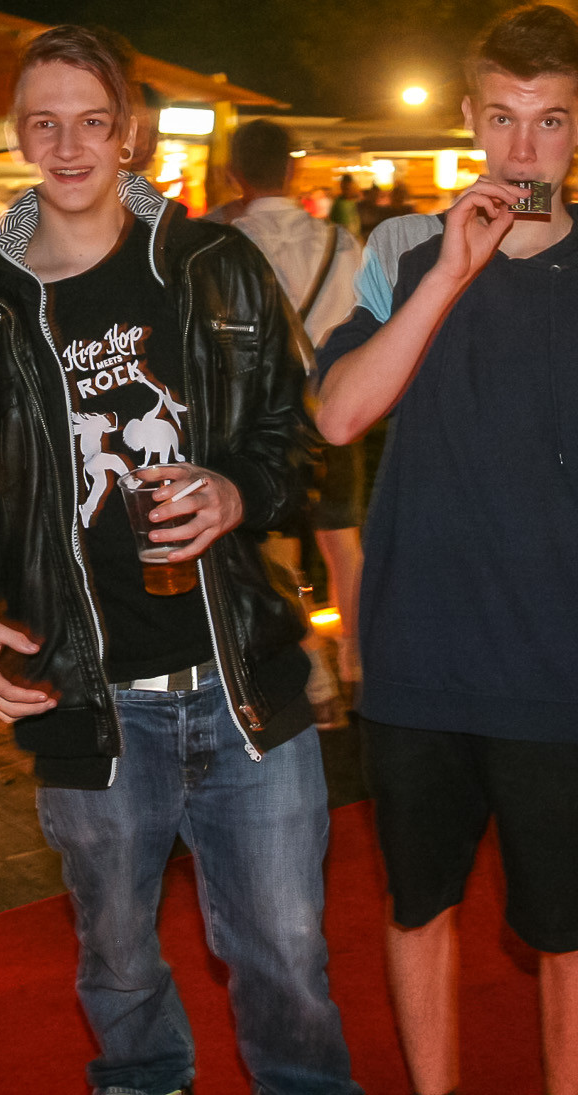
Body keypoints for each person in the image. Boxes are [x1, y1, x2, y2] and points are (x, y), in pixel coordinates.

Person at [0, 25, 356, 1095]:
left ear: (127, 131)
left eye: (90, 121)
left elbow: (296, 439)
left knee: (288, 957)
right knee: (117, 959)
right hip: (89, 701)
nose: (68, 145)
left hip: (242, 681)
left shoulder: (213, 267)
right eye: (44, 123)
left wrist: (236, 489)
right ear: (18, 134)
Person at [315, 3, 578, 1095]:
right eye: (501, 119)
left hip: (562, 660)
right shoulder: (401, 248)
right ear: (469, 117)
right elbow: (339, 415)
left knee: (569, 922)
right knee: (417, 904)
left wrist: (543, 522)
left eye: (549, 121)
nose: (523, 150)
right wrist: (450, 271)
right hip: (416, 653)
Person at [224, 117, 368, 717]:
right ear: (292, 170)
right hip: (334, 408)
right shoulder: (341, 243)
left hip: (262, 420)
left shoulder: (223, 247)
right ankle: (359, 663)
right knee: (344, 542)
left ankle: (314, 675)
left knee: (278, 551)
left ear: (233, 174)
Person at [331, 172, 363, 237]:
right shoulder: (338, 203)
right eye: (345, 188)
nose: (348, 190)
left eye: (349, 188)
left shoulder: (357, 202)